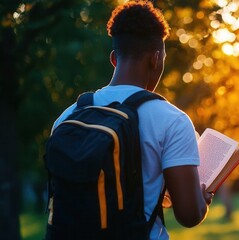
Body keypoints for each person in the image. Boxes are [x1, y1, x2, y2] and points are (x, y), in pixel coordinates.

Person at [50, 1, 213, 238]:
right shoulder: (172, 121)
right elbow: (188, 215)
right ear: (156, 59)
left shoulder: (68, 116)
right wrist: (202, 201)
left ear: (114, 58)